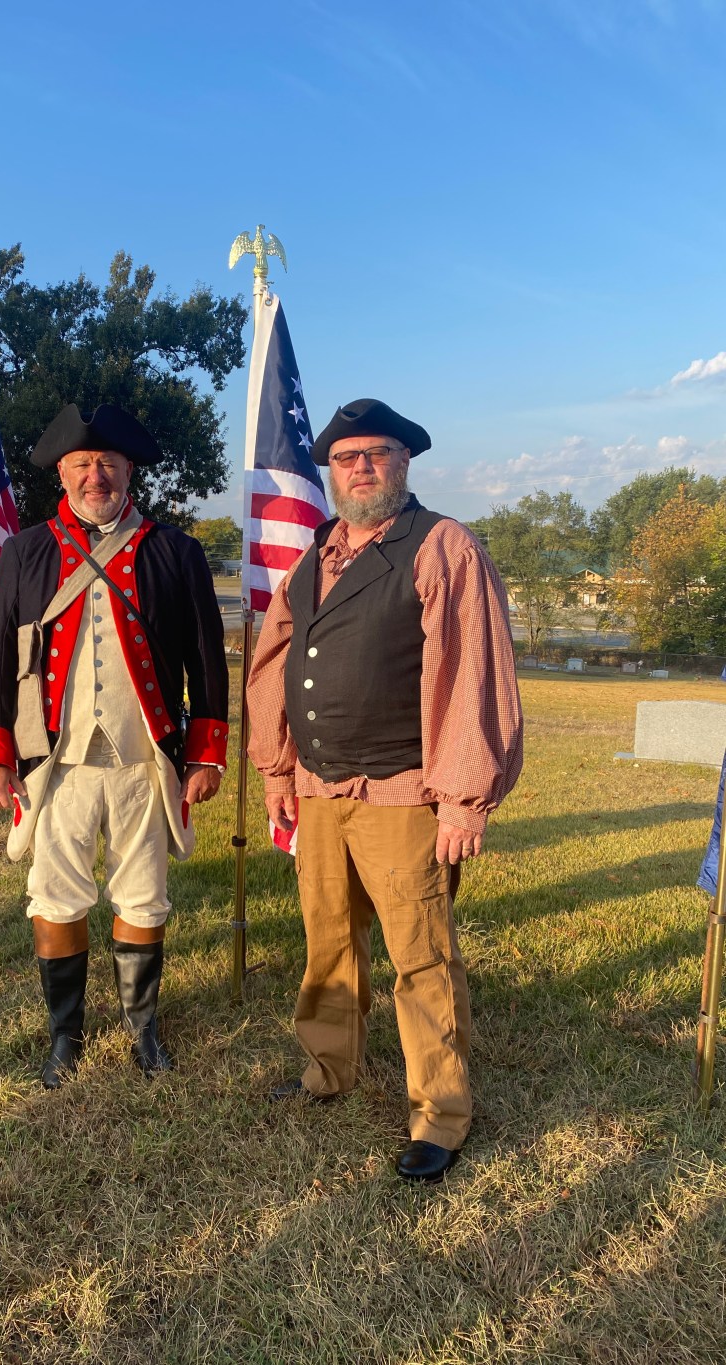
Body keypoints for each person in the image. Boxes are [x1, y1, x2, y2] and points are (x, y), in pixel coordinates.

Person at [246, 397, 523, 1183]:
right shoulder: (314, 556)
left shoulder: (443, 547)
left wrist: (466, 797)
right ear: (330, 472)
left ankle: (441, 1112)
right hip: (319, 791)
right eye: (347, 456)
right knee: (328, 940)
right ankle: (326, 1069)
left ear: (405, 463)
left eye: (378, 453)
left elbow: (472, 672)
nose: (361, 466)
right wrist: (276, 769)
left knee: (421, 957)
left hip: (403, 791)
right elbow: (273, 665)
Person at [0, 403, 229, 1086]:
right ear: (62, 471)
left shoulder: (175, 552)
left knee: (143, 896)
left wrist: (205, 752)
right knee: (56, 896)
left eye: (109, 462)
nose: (97, 474)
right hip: (52, 761)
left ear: (129, 469)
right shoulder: (25, 552)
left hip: (146, 759)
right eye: (83, 463)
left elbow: (206, 660)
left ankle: (143, 1029)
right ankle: (66, 1035)